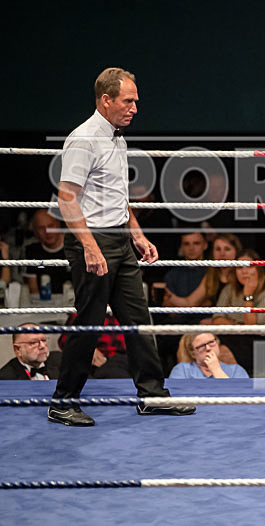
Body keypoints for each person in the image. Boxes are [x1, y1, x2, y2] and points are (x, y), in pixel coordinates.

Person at [51, 67, 195, 426]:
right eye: (128, 101)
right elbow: (67, 198)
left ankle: (152, 395)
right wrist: (90, 246)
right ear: (106, 100)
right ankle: (63, 401)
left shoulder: (117, 139)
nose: (135, 108)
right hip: (92, 239)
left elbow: (117, 196)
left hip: (119, 238)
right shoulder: (84, 139)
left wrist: (137, 234)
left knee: (138, 319)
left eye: (135, 101)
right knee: (90, 321)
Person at [162, 233, 243, 324]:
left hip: (237, 324)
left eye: (227, 249)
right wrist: (166, 292)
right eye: (218, 249)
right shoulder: (211, 275)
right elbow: (190, 303)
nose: (222, 253)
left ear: (236, 251)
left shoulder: (243, 274)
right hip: (215, 324)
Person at [212, 249, 265, 325]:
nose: (244, 271)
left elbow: (252, 326)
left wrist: (248, 296)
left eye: (249, 266)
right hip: (231, 332)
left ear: (258, 269)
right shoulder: (229, 288)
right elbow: (217, 318)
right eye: (240, 267)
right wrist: (238, 327)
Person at [23, 209, 69, 297]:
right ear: (35, 231)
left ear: (58, 224)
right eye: (41, 228)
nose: (47, 231)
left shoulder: (74, 247)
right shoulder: (32, 251)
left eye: (51, 226)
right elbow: (33, 291)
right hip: (44, 302)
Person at [169, 333, 248, 379]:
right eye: (201, 346)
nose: (208, 348)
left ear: (218, 343)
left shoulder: (236, 370)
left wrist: (216, 370)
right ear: (193, 353)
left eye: (211, 342)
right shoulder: (182, 370)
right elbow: (178, 398)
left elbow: (240, 397)